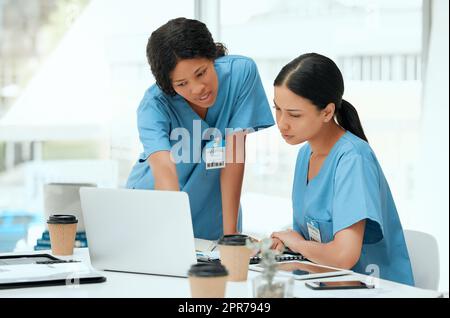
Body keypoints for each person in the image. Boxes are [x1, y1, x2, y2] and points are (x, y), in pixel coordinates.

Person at [270, 53, 414, 286]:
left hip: (370, 288)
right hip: (323, 282)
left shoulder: (353, 159)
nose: (282, 123)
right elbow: (311, 233)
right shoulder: (306, 154)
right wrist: (286, 241)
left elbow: (343, 256)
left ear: (327, 112)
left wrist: (296, 243)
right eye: (278, 109)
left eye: (294, 114)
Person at [126, 18, 274, 240]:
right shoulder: (154, 105)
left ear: (212, 56)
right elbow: (165, 170)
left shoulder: (241, 74)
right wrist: (174, 236)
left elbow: (234, 155)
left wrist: (231, 235)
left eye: (201, 73)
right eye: (181, 84)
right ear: (169, 85)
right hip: (156, 214)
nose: (198, 89)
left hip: (213, 219)